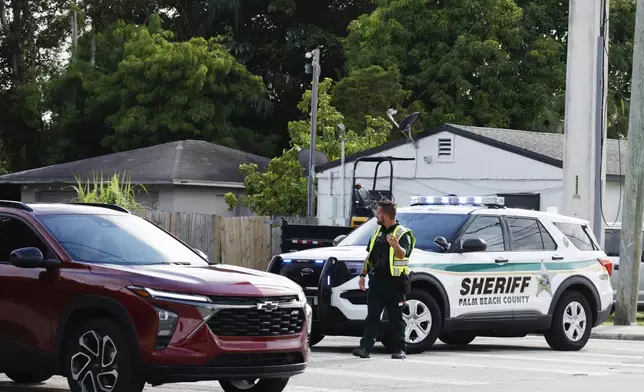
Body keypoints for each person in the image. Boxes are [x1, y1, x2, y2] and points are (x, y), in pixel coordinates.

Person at [352, 199, 415, 360]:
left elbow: (403, 254)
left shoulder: (402, 233)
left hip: (395, 283)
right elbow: (370, 256)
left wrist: (395, 246)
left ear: (386, 216)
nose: (377, 216)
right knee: (372, 316)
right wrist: (362, 275)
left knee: (396, 318)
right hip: (376, 281)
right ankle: (365, 348)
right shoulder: (377, 232)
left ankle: (400, 349)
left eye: (379, 213)